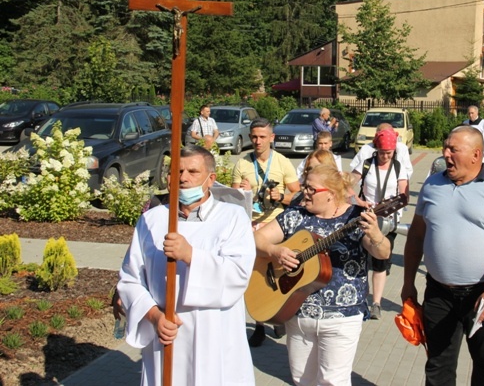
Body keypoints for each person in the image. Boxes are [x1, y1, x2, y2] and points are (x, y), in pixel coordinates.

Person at [117, 145, 256, 385]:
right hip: (167, 332)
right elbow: (131, 279)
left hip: (214, 334)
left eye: (193, 171)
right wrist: (154, 316)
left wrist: (191, 255)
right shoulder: (152, 220)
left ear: (211, 179)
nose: (183, 178)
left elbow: (238, 274)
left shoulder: (232, 218)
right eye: (177, 171)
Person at [402, 126, 484, 386]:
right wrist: (407, 282)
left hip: (481, 296)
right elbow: (415, 237)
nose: (445, 154)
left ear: (476, 154)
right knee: (437, 365)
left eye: (452, 149)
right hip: (438, 294)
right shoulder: (433, 184)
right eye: (446, 148)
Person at [254, 164, 391, 385]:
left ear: (331, 194)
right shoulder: (295, 215)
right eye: (305, 186)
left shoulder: (356, 218)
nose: (304, 192)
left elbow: (382, 252)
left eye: (311, 189)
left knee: (332, 381)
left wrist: (375, 234)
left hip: (341, 317)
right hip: (297, 313)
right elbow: (256, 239)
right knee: (301, 379)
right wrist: (275, 251)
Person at [231, 117, 300, 346]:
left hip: (275, 226)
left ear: (271, 138)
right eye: (254, 137)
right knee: (256, 276)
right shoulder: (243, 163)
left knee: (277, 272)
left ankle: (278, 315)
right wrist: (242, 191)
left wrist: (281, 197)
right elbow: (232, 199)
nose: (257, 141)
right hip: (250, 227)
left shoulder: (282, 162)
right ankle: (260, 324)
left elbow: (298, 196)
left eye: (262, 137)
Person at [352, 128, 409, 320]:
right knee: (360, 259)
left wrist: (390, 206)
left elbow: (404, 196)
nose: (385, 156)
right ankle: (359, 298)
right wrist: (359, 202)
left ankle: (376, 303)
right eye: (382, 152)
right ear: (376, 148)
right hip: (365, 218)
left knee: (380, 260)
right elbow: (346, 185)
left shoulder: (399, 168)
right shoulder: (367, 164)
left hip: (388, 221)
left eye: (389, 153)